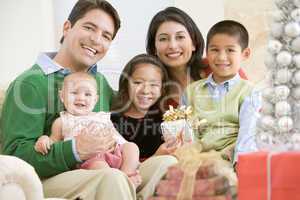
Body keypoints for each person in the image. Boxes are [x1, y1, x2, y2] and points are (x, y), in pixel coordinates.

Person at [0, 1, 177, 199]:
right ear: (67, 27)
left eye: (106, 36)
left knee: (166, 164)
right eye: (89, 28)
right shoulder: (30, 83)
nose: (96, 39)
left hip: (106, 166)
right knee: (112, 178)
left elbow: (131, 112)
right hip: (54, 178)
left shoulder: (98, 82)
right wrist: (75, 149)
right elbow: (15, 158)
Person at [34, 72, 141, 188]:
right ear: (62, 96)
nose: (81, 98)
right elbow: (54, 140)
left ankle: (126, 174)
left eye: (88, 94)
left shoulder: (102, 116)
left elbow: (116, 135)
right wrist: (44, 139)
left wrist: (125, 150)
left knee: (132, 147)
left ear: (95, 100)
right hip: (90, 160)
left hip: (113, 152)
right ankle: (119, 182)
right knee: (101, 168)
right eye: (74, 93)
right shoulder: (62, 121)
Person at [182, 20, 261, 162]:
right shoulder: (191, 91)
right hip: (196, 159)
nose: (221, 57)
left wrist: (239, 164)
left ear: (245, 54)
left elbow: (248, 135)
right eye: (215, 50)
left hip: (230, 158)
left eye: (230, 50)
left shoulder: (250, 92)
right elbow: (187, 133)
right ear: (207, 52)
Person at [146, 7, 248, 109]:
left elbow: (253, 109)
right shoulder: (153, 90)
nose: (172, 45)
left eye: (180, 37)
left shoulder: (220, 65)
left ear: (193, 43)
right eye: (163, 39)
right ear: (154, 47)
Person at [111, 54, 180, 161]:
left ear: (162, 89)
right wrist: (157, 156)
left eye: (154, 85)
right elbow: (118, 167)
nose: (145, 90)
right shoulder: (112, 121)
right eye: (138, 82)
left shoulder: (166, 119)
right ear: (126, 84)